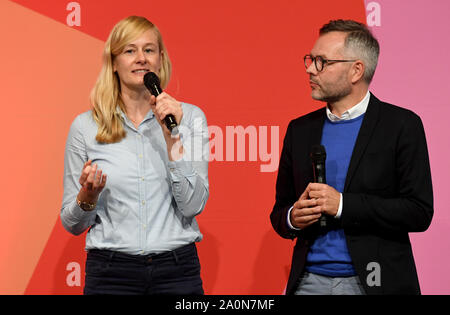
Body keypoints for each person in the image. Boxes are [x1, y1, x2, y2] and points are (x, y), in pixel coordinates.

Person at [270, 19, 433, 295]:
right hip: (308, 282)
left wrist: (343, 205)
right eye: (310, 59)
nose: (310, 68)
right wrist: (292, 218)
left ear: (356, 70)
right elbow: (280, 211)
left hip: (374, 281)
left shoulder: (401, 125)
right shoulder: (299, 130)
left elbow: (418, 211)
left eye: (322, 61)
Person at [61, 16, 209, 295]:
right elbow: (72, 224)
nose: (141, 58)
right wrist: (87, 197)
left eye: (149, 50)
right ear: (114, 62)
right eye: (130, 51)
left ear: (160, 59)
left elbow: (193, 205)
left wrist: (172, 137)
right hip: (111, 275)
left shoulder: (189, 118)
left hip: (177, 272)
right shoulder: (85, 126)